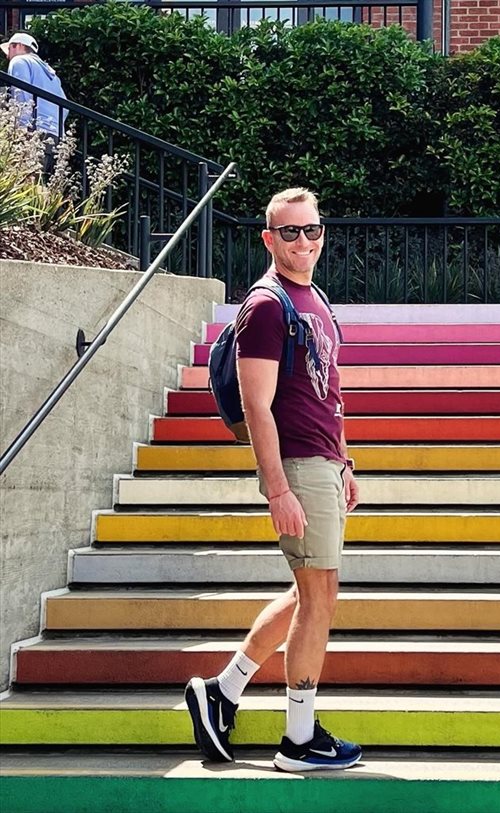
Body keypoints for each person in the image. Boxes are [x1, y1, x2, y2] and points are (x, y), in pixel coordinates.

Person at [185, 188, 362, 773]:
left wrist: (345, 462)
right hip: (298, 467)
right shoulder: (266, 305)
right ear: (269, 238)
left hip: (323, 462)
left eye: (312, 229)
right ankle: (299, 739)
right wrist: (279, 488)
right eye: (290, 232)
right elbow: (258, 407)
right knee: (319, 597)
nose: (303, 241)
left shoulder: (316, 299)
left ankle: (223, 691)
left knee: (309, 594)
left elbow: (328, 391)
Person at [1, 31, 68, 175]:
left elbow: (21, 95)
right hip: (54, 133)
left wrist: (20, 129)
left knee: (22, 178)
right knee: (35, 180)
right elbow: (65, 106)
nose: (7, 56)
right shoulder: (52, 75)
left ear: (19, 45)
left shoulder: (20, 61)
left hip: (33, 131)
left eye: (9, 49)